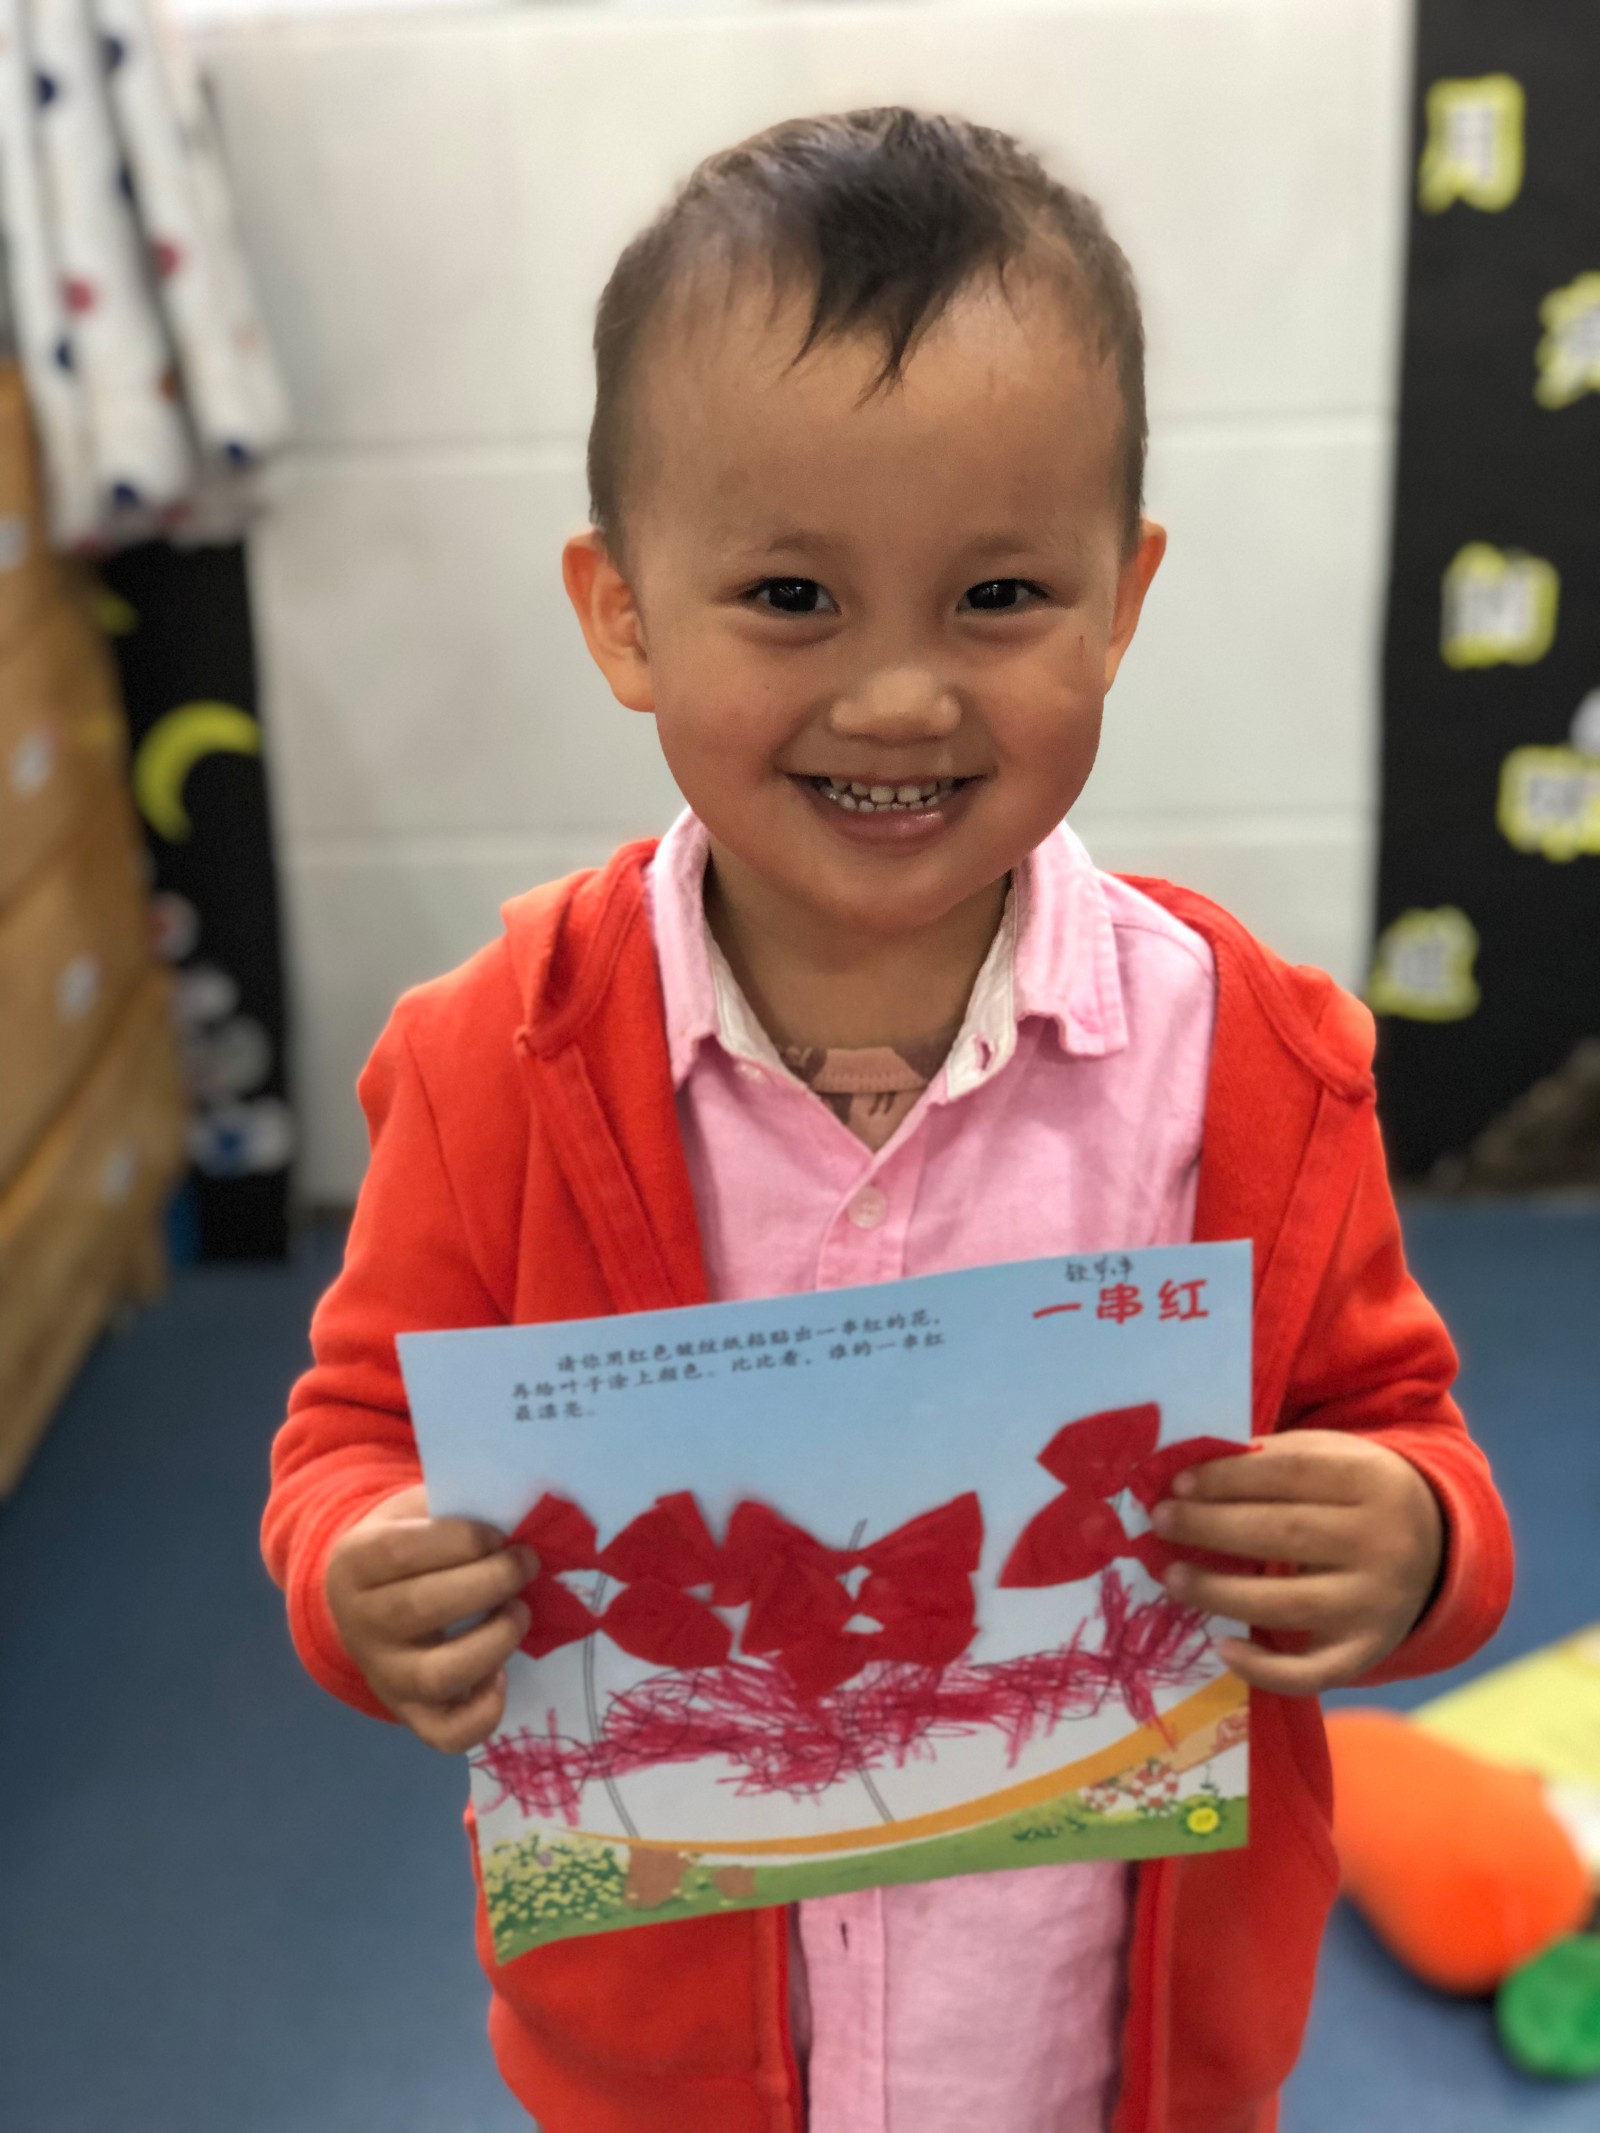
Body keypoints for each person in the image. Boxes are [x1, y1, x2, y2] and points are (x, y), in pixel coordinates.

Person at [263, 108, 1512, 2133]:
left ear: (1121, 600)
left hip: (1107, 2058)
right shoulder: (497, 1060)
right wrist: (361, 1571)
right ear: (622, 612)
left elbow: (1402, 1430)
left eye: (999, 592)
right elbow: (350, 1434)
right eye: (791, 594)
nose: (903, 697)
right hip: (667, 2074)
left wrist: (1413, 1541)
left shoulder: (1254, 1062)